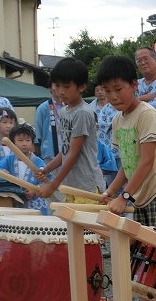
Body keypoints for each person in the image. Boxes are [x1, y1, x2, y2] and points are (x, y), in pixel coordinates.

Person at [96, 55, 156, 301]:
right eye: (108, 91)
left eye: (119, 89)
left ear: (134, 85)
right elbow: (125, 164)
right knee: (144, 258)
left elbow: (145, 163)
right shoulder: (119, 120)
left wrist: (125, 196)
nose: (114, 97)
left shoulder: (147, 114)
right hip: (140, 196)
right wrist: (109, 193)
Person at [36, 58, 105, 202]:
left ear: (81, 87)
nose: (60, 91)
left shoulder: (82, 113)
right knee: (72, 225)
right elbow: (65, 151)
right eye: (58, 85)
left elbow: (74, 154)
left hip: (87, 187)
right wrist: (47, 169)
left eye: (66, 87)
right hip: (71, 186)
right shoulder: (65, 112)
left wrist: (53, 185)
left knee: (87, 225)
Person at [0, 123, 50, 215]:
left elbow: (46, 180)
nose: (24, 144)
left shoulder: (38, 161)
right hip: (16, 201)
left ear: (32, 142)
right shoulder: (9, 159)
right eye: (20, 140)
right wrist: (2, 172)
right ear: (13, 142)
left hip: (35, 202)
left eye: (28, 140)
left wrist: (35, 190)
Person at [34, 82, 64, 165]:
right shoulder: (43, 108)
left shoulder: (69, 106)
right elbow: (38, 134)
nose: (60, 88)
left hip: (69, 154)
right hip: (50, 155)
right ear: (50, 88)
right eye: (57, 85)